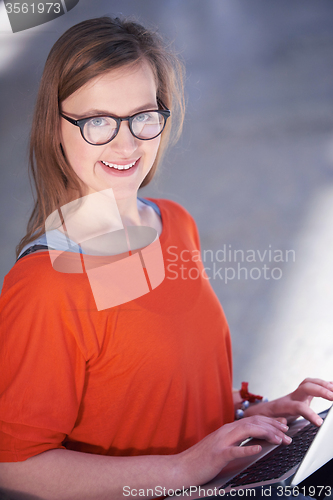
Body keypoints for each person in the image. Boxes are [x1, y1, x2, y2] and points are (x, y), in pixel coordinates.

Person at [0, 16, 332, 500]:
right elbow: (15, 463)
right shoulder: (45, 285)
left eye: (143, 115)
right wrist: (182, 470)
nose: (127, 141)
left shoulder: (174, 223)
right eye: (97, 121)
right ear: (55, 127)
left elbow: (157, 388)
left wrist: (244, 421)